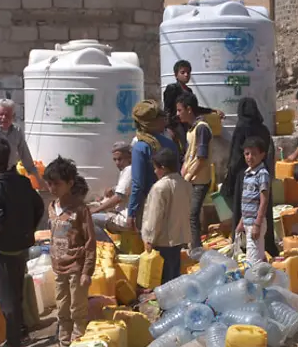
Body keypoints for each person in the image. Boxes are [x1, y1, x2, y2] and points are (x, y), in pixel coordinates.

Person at [0, 137, 45, 347]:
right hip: (22, 244)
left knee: (7, 294)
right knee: (18, 288)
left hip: (5, 248)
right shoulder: (22, 181)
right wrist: (28, 229)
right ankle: (22, 331)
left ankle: (14, 342)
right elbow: (38, 207)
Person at [0, 99, 45, 273]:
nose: (3, 118)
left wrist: (38, 178)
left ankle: (11, 250)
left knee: (10, 214)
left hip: (10, 175)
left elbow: (26, 158)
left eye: (7, 115)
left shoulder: (17, 131)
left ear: (13, 116)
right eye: (0, 114)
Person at [43, 157, 97, 347]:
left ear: (70, 183)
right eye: (49, 183)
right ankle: (64, 341)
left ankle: (78, 340)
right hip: (59, 267)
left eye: (57, 183)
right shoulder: (52, 207)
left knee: (77, 308)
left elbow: (90, 242)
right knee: (62, 306)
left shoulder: (80, 210)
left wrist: (86, 272)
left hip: (76, 267)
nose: (52, 188)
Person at [223, 97, 277, 257]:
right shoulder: (264, 129)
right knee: (263, 205)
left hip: (243, 175)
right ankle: (267, 247)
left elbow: (235, 156)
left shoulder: (241, 129)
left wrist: (229, 179)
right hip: (262, 171)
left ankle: (243, 246)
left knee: (244, 207)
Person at [142, 148, 192, 285]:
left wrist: (149, 238)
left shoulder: (160, 187)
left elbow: (154, 216)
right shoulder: (185, 184)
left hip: (163, 239)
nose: (154, 171)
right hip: (179, 237)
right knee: (174, 274)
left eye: (155, 168)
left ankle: (165, 304)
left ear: (163, 168)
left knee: (162, 279)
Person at [128, 100, 179, 231]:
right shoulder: (170, 144)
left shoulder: (140, 147)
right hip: (172, 202)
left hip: (150, 204)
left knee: (153, 247)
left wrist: (132, 212)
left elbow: (138, 184)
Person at [178, 93, 214, 249]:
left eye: (180, 110)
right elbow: (189, 154)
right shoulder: (191, 130)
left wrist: (188, 176)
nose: (178, 114)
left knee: (193, 215)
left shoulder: (202, 129)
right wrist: (183, 171)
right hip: (189, 177)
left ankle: (196, 249)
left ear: (189, 109)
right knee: (187, 214)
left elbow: (202, 157)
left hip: (199, 179)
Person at [162, 60, 219, 150]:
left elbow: (194, 109)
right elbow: (167, 109)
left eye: (188, 73)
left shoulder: (189, 91)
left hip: (186, 124)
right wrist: (169, 128)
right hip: (176, 125)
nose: (186, 75)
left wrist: (211, 111)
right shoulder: (172, 89)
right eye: (183, 72)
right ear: (176, 75)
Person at [237, 137, 272, 267]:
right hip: (247, 222)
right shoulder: (247, 173)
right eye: (247, 154)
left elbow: (264, 200)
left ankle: (257, 284)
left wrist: (257, 224)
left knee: (252, 263)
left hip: (255, 223)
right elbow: (248, 202)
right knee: (258, 256)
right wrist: (241, 222)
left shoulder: (262, 174)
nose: (250, 157)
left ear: (262, 155)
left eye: (254, 154)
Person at [91, 141, 133, 234]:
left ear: (129, 157)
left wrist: (96, 209)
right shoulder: (129, 169)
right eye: (115, 160)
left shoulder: (129, 170)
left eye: (120, 159)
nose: (117, 163)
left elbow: (118, 197)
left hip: (124, 219)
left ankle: (108, 245)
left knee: (90, 219)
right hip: (125, 215)